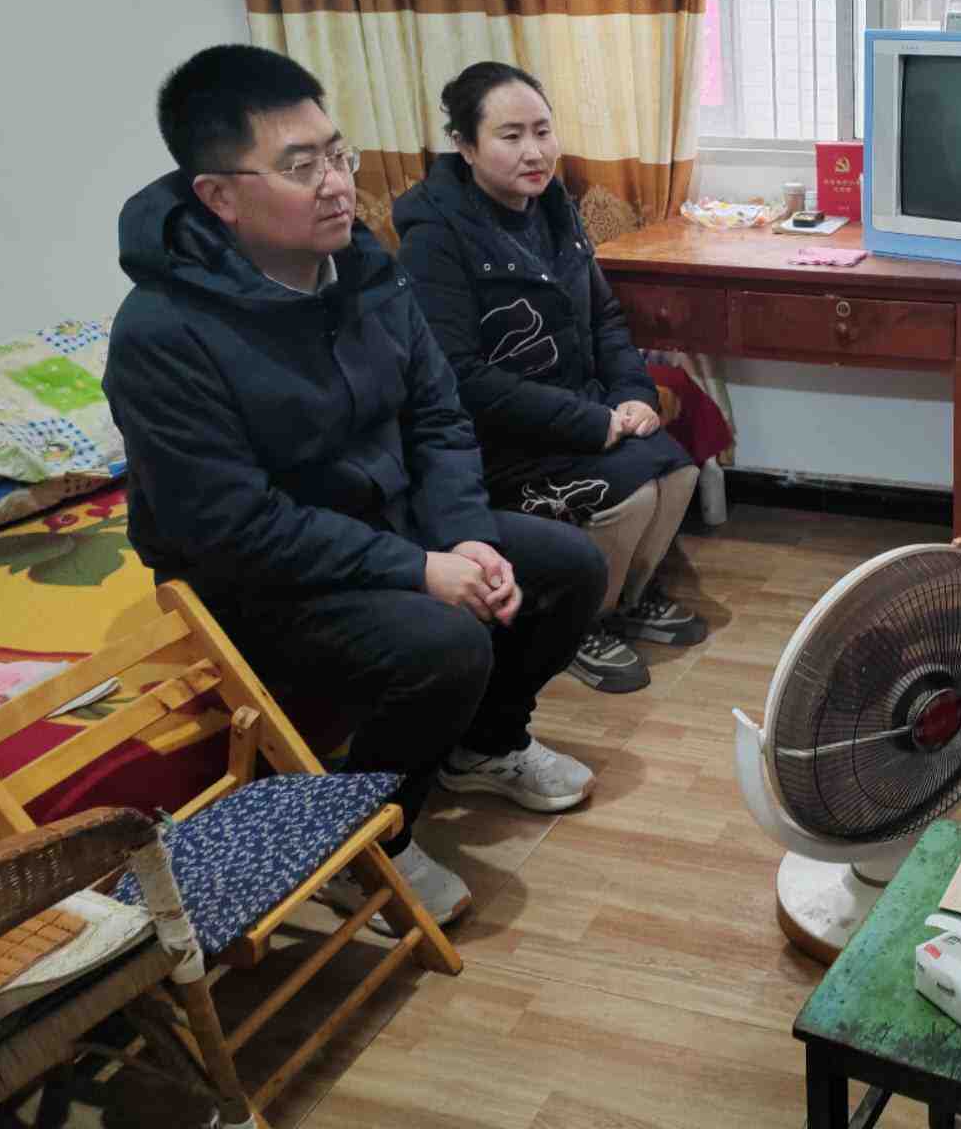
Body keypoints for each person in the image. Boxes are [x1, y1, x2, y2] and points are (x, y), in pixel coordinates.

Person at [105, 45, 609, 931]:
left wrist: (463, 533)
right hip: (261, 580)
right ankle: (365, 841)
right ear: (220, 196)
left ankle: (485, 745)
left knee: (568, 567)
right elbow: (232, 526)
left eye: (338, 154)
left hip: (389, 522)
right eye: (301, 167)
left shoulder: (364, 268)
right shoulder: (162, 334)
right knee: (448, 641)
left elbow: (437, 414)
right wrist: (419, 571)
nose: (338, 184)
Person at [393, 62, 708, 695]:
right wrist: (592, 422)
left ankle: (626, 600)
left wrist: (632, 395)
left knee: (677, 470)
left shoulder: (555, 207)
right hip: (499, 440)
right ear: (465, 146)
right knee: (627, 495)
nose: (533, 152)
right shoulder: (434, 237)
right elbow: (460, 378)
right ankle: (581, 623)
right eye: (510, 136)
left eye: (542, 131)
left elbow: (605, 319)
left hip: (577, 412)